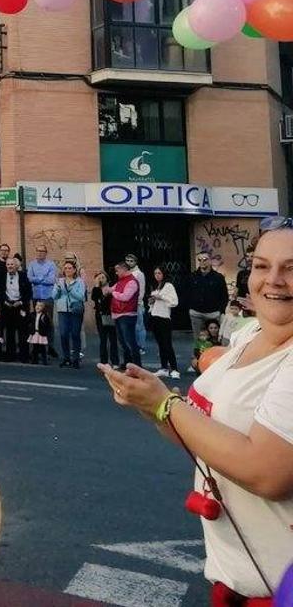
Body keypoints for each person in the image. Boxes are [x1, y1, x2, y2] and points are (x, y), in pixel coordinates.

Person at [98, 220, 293, 605]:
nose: (274, 279)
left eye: (291, 268)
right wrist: (148, 403)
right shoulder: (246, 336)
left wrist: (164, 403)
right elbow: (202, 434)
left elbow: (267, 472)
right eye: (261, 265)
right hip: (232, 583)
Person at [187, 252, 229, 374]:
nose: (202, 262)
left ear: (210, 261)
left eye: (205, 259)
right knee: (198, 339)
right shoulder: (193, 276)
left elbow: (224, 296)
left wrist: (220, 311)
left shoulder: (218, 277)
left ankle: (215, 362)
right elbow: (187, 292)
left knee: (215, 339)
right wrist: (190, 308)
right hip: (196, 312)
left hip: (213, 313)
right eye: (199, 259)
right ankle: (197, 363)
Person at [104, 262, 142, 368]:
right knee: (122, 341)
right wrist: (107, 288)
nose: (116, 273)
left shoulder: (132, 282)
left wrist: (113, 293)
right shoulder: (121, 281)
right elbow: (110, 289)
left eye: (117, 270)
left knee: (129, 340)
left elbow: (126, 297)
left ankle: (137, 364)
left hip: (127, 314)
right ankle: (127, 362)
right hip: (118, 314)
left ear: (124, 269)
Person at [0, 256, 31, 363]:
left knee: (23, 332)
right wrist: (4, 301)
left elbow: (29, 292)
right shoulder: (2, 276)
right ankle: (10, 356)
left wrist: (20, 302)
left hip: (19, 306)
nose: (10, 266)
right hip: (7, 306)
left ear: (16, 266)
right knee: (10, 332)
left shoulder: (23, 276)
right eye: (8, 264)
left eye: (12, 264)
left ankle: (24, 356)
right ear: (6, 266)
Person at [53, 259, 87, 369]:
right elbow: (54, 296)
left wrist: (69, 289)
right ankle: (66, 358)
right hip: (63, 310)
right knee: (63, 334)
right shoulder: (59, 281)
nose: (67, 270)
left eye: (70, 268)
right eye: (66, 268)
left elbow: (81, 296)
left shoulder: (79, 282)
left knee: (75, 334)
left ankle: (76, 359)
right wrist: (58, 289)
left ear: (74, 270)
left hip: (75, 311)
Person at [148, 266, 180, 379]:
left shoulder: (168, 286)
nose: (157, 275)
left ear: (164, 274)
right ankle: (164, 367)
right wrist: (152, 301)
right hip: (155, 315)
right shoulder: (157, 285)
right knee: (161, 344)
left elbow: (174, 302)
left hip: (164, 317)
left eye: (159, 273)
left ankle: (175, 368)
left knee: (167, 344)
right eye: (155, 273)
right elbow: (154, 302)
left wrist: (160, 296)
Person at [90, 271, 119, 368]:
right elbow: (94, 298)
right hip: (100, 316)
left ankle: (115, 362)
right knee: (103, 339)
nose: (101, 279)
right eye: (99, 278)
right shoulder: (96, 289)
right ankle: (104, 361)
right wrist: (98, 286)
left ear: (107, 278)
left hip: (111, 315)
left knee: (113, 339)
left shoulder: (112, 288)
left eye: (103, 277)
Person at [125, 253, 148, 354]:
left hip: (137, 304)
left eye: (131, 261)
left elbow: (142, 290)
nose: (129, 263)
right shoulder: (126, 273)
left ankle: (141, 346)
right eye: (127, 261)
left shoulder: (139, 274)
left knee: (139, 326)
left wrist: (137, 302)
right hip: (127, 304)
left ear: (135, 262)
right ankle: (132, 346)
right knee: (130, 326)